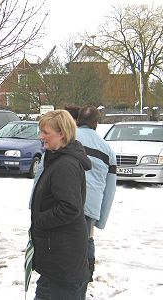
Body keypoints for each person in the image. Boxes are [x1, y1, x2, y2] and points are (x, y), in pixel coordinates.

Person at [30, 110, 91, 300]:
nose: (41, 137)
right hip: (55, 257)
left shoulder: (66, 165)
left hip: (64, 260)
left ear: (61, 133)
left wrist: (39, 220)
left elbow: (70, 208)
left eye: (45, 132)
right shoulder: (56, 158)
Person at [76, 105, 117, 282]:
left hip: (63, 198)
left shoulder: (66, 139)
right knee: (87, 237)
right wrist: (101, 218)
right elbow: (111, 188)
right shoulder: (107, 149)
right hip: (91, 203)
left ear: (78, 120)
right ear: (96, 123)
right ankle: (87, 271)